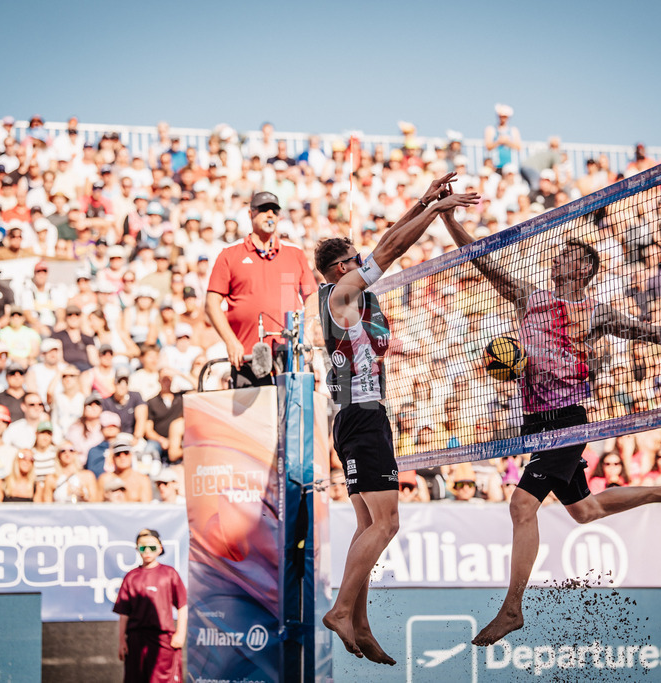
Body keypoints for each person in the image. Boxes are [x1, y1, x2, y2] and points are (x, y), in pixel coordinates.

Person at [439, 209, 661, 646]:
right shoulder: (530, 297)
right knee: (586, 512)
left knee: (521, 507)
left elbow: (656, 332)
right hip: (536, 424)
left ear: (583, 267)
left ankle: (512, 609)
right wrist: (447, 218)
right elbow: (480, 259)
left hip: (567, 422)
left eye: (565, 255)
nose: (555, 259)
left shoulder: (595, 312)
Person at [316, 173, 477, 663]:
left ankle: (359, 621)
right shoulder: (342, 294)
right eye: (353, 259)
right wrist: (437, 210)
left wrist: (422, 201)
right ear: (340, 267)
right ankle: (342, 610)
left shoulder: (342, 297)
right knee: (387, 526)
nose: (361, 262)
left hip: (351, 416)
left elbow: (385, 243)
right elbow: (389, 250)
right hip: (363, 416)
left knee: (368, 523)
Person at [204, 191, 317, 388]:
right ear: (251, 214)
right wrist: (231, 342)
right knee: (252, 418)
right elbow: (211, 304)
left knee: (289, 416)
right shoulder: (230, 254)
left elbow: (312, 295)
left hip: (289, 355)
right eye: (264, 210)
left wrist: (306, 334)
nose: (270, 214)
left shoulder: (295, 253)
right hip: (247, 356)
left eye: (274, 210)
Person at [114, 528, 187, 683]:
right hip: (136, 641)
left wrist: (180, 633)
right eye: (142, 547)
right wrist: (122, 641)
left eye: (152, 547)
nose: (147, 551)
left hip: (163, 641)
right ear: (137, 549)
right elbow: (124, 613)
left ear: (160, 549)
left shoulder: (169, 573)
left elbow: (182, 605)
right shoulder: (131, 577)